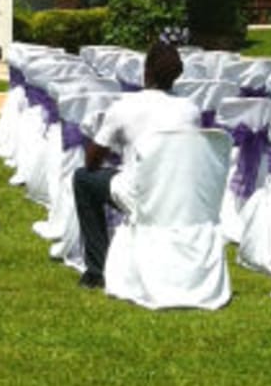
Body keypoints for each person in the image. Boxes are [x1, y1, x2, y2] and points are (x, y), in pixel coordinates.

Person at [73, 40, 201, 289]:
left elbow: (91, 162)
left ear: (146, 72)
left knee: (83, 179)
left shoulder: (124, 107)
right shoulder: (190, 110)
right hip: (180, 193)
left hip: (140, 193)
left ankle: (96, 270)